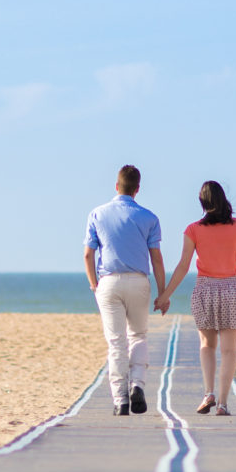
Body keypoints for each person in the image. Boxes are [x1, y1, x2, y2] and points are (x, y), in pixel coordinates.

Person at [157, 180, 236, 415]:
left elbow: (183, 266)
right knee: (229, 351)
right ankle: (223, 404)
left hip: (205, 289)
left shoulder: (193, 229)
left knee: (207, 345)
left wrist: (164, 296)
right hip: (232, 288)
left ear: (202, 202)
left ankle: (208, 392)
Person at [84, 164, 167, 417]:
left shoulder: (97, 214)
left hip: (108, 282)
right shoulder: (149, 217)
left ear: (116, 186)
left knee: (116, 342)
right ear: (137, 189)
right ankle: (138, 385)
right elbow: (157, 259)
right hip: (139, 281)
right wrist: (163, 293)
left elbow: (89, 254)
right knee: (138, 335)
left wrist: (93, 284)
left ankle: (120, 400)